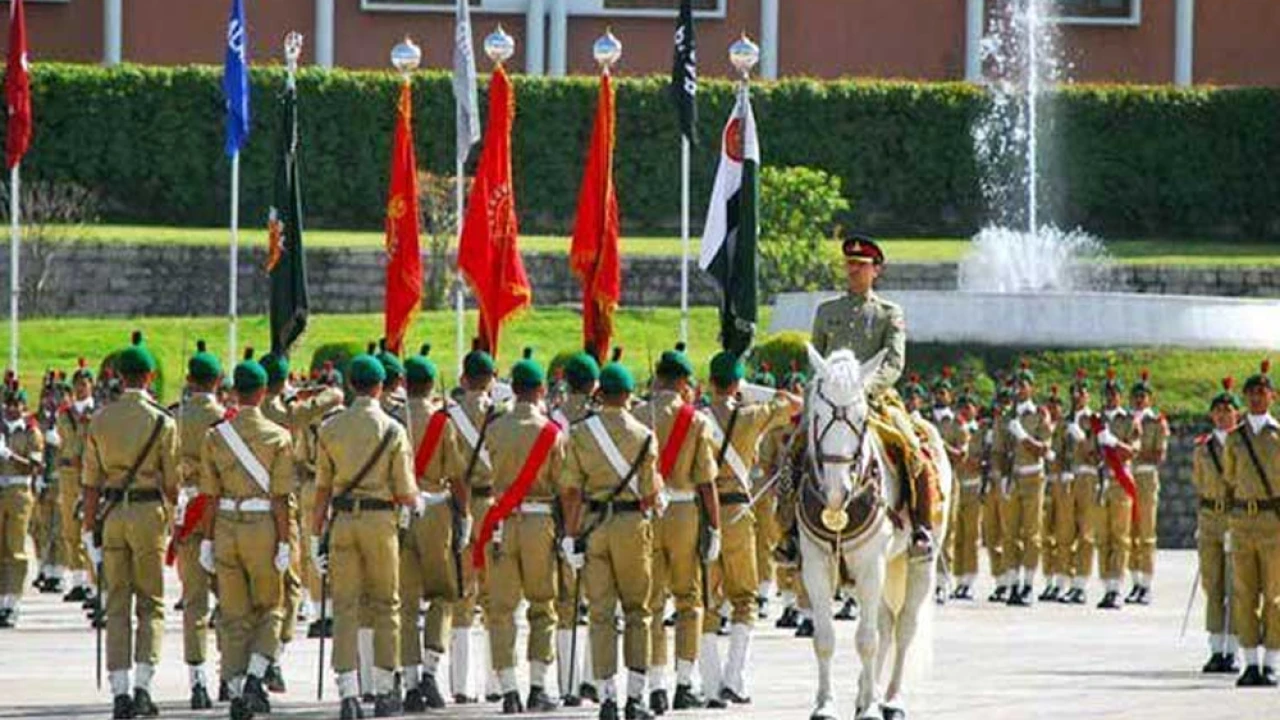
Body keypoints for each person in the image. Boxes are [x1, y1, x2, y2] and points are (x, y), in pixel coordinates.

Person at [810, 234, 936, 557]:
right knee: (793, 446)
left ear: (875, 270)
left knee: (914, 451)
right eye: (849, 264)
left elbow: (894, 362)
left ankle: (921, 527)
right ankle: (789, 532)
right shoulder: (826, 311)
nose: (853, 270)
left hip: (876, 400)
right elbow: (819, 360)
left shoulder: (888, 314)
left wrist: (864, 387)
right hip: (831, 402)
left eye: (861, 265)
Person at [310, 354, 417, 718]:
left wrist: (314, 536)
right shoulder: (393, 430)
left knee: (345, 607)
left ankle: (348, 692)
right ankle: (386, 688)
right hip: (380, 521)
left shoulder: (330, 428)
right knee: (386, 604)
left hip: (341, 521)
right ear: (381, 386)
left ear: (350, 386)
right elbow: (405, 492)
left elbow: (322, 488)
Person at [81, 332, 180, 719]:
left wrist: (90, 531)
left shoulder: (100, 419)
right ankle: (142, 685)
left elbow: (90, 483)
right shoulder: (162, 422)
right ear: (150, 376)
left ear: (118, 377)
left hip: (112, 515)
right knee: (151, 604)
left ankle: (119, 691)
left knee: (116, 604)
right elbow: (172, 484)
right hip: (148, 514)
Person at [560, 362, 662, 720]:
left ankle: (606, 696)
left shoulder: (581, 433)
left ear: (600, 394)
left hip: (593, 526)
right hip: (632, 525)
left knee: (601, 613)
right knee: (638, 611)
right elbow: (651, 495)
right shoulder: (645, 435)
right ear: (630, 395)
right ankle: (635, 697)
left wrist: (571, 538)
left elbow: (571, 492)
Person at [699, 351, 801, 705]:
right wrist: (754, 390)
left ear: (711, 382)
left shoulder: (696, 418)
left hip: (703, 515)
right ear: (737, 385)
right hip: (739, 515)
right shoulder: (752, 415)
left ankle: (710, 683)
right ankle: (735, 679)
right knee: (744, 599)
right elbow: (795, 405)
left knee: (705, 600)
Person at [198, 358, 295, 720]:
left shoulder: (215, 435)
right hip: (262, 526)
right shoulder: (278, 436)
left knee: (234, 614)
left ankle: (237, 690)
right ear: (265, 391)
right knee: (271, 607)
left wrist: (207, 541)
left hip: (225, 524)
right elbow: (282, 497)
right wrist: (285, 542)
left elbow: (208, 494)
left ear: (235, 392)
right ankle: (256, 675)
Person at [475, 351, 567, 713]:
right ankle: (538, 686)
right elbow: (562, 483)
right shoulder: (552, 433)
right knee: (543, 606)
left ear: (512, 389)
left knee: (501, 608)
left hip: (501, 522)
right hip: (539, 521)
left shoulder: (495, 428)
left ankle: (509, 688)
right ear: (542, 390)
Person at [635, 343, 720, 713]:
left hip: (647, 511)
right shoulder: (696, 420)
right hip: (685, 512)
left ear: (657, 379)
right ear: (684, 383)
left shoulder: (636, 414)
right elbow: (706, 482)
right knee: (689, 600)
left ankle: (655, 685)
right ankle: (684, 682)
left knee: (651, 602)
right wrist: (714, 527)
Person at [397, 346, 453, 712]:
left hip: (400, 513)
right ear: (431, 384)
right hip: (434, 511)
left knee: (404, 603)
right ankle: (431, 670)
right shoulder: (441, 422)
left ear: (404, 383)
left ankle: (412, 678)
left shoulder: (392, 419)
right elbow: (458, 474)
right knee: (442, 595)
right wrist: (461, 517)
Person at [174, 341, 228, 709]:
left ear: (189, 380)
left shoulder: (172, 417)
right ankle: (231, 675)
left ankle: (197, 682)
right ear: (219, 380)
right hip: (221, 512)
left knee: (194, 601)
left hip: (186, 509)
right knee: (231, 599)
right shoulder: (227, 419)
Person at [1221, 360, 1280, 687]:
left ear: (1272, 396)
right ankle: (1250, 662)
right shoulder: (1234, 438)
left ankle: (1272, 661)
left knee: (1274, 595)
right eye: (1251, 393)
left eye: (1262, 392)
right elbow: (1230, 478)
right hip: (1243, 519)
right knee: (1244, 593)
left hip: (1273, 522)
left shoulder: (1277, 435)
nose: (1256, 398)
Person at [551, 351, 601, 705]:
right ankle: (589, 679)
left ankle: (565, 686)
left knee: (565, 603)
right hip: (595, 515)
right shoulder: (599, 422)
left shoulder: (550, 420)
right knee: (599, 600)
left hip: (553, 514)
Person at [1193, 376, 1241, 674]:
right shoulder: (1203, 448)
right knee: (1212, 584)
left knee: (1236, 585)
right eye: (1218, 411)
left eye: (1228, 411)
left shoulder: (1242, 445)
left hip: (1236, 518)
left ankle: (1233, 647)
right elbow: (1199, 483)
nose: (1223, 416)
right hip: (1210, 518)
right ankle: (1216, 647)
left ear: (1237, 414)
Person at [0, 373, 44, 629]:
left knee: (15, 549)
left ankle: (12, 602)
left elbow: (34, 467)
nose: (11, 409)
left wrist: (9, 455)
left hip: (18, 494)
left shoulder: (31, 432)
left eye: (16, 404)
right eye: (8, 404)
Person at [1094, 369, 1137, 611]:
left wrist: (1113, 442)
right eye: (1107, 393)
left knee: (1120, 536)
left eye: (1115, 393)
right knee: (1103, 537)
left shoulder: (1128, 421)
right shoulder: (1096, 421)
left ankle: (1117, 587)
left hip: (1120, 482)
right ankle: (1106, 585)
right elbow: (1089, 452)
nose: (1111, 397)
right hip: (1102, 481)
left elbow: (1132, 451)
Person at [1126, 370, 1169, 605]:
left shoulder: (1156, 422)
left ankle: (1146, 583)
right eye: (1136, 396)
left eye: (1143, 396)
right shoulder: (1125, 420)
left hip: (1145, 478)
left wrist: (1134, 450)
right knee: (1129, 532)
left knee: (1146, 533)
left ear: (1149, 399)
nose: (1139, 400)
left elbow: (1158, 455)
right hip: (1126, 478)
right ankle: (1134, 582)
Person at [56, 359, 97, 605]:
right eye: (78, 384)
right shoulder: (65, 415)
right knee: (70, 528)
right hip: (70, 474)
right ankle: (78, 579)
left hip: (91, 473)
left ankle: (94, 583)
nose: (82, 388)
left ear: (92, 385)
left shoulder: (98, 413)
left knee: (91, 528)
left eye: (85, 383)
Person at [1057, 370, 1096, 605]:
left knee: (1086, 533)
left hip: (1087, 478)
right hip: (1068, 479)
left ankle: (1080, 583)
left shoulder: (1095, 420)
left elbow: (1096, 454)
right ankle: (1065, 580)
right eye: (1074, 392)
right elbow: (1058, 451)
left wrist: (1082, 437)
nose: (1078, 396)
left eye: (1082, 392)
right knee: (1064, 532)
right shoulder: (1065, 421)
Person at [948, 391, 982, 600]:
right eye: (962, 405)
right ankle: (957, 578)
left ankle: (969, 580)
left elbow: (972, 461)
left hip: (974, 487)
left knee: (971, 536)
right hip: (956, 486)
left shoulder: (980, 431)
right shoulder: (955, 428)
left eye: (970, 405)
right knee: (955, 535)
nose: (965, 409)